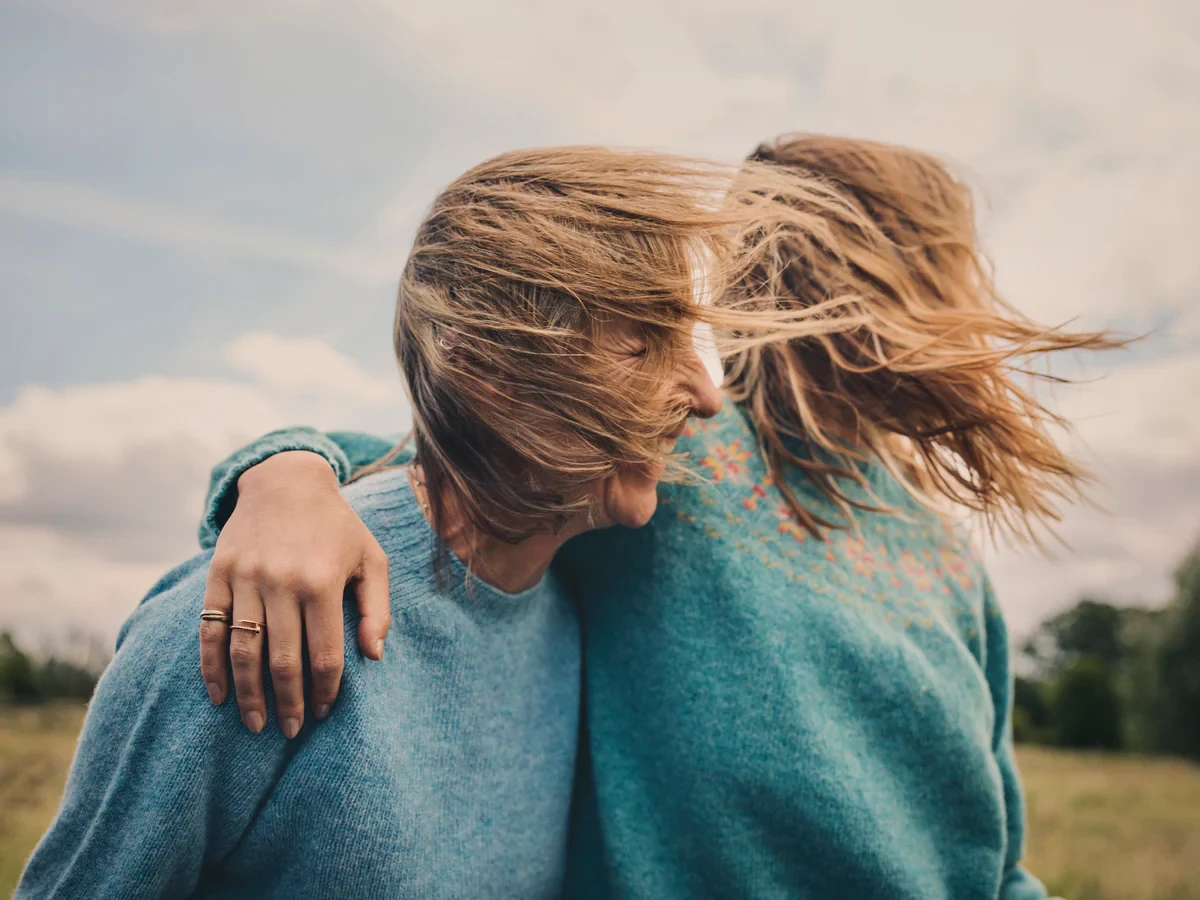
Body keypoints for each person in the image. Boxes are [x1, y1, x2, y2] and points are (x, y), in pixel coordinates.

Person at [187, 137, 1115, 898]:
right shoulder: (675, 467)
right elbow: (455, 439)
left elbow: (994, 858)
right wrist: (285, 475)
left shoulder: (946, 557)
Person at [16, 146, 847, 899]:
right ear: (491, 374)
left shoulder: (573, 614)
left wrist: (288, 461)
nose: (706, 397)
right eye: (644, 344)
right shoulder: (249, 627)